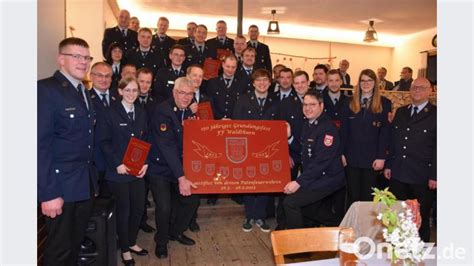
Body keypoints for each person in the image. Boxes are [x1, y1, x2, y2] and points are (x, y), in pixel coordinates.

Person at [38, 37, 97, 265]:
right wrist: (49, 193)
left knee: (74, 247)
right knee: (59, 251)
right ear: (61, 59)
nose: (83, 62)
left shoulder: (82, 90)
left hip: (83, 186)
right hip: (60, 188)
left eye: (87, 57)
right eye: (77, 56)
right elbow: (38, 147)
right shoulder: (46, 90)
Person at [97, 76, 149, 265]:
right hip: (118, 172)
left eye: (135, 90)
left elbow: (146, 139)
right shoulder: (108, 112)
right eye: (127, 90)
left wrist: (146, 163)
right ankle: (125, 249)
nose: (131, 94)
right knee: (124, 212)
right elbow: (103, 141)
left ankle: (132, 241)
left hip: (137, 172)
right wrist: (117, 163)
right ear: (119, 91)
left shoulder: (142, 112)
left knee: (138, 209)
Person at [147, 77, 200, 259]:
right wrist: (182, 178)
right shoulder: (163, 111)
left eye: (190, 94)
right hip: (160, 167)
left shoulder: (190, 112)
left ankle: (176, 231)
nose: (186, 97)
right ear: (174, 92)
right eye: (182, 93)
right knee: (164, 207)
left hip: (179, 167)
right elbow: (167, 147)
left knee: (192, 200)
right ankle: (161, 241)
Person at [283, 90, 345, 229]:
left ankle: (297, 248)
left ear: (321, 106)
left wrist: (298, 182)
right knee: (309, 209)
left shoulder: (327, 128)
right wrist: (289, 137)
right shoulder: (308, 124)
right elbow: (303, 152)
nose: (307, 108)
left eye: (312, 104)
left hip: (327, 178)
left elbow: (320, 162)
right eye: (305, 104)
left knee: (290, 203)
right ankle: (345, 226)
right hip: (315, 177)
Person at [384, 77, 436, 242]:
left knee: (420, 216)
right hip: (399, 173)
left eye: (422, 87)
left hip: (422, 176)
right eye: (414, 87)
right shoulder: (401, 111)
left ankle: (421, 253)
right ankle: (398, 248)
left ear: (430, 91)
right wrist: (389, 165)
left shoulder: (437, 114)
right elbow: (393, 141)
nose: (417, 90)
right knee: (398, 214)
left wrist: (435, 175)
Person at [233, 69, 278, 233]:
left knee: (264, 183)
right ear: (253, 83)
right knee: (249, 182)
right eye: (258, 80)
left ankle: (260, 216)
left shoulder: (275, 100)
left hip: (268, 150)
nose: (262, 83)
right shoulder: (243, 100)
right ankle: (249, 216)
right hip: (247, 149)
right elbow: (236, 125)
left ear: (270, 82)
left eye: (265, 80)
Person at [341, 69, 391, 208]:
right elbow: (344, 130)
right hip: (351, 157)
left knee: (368, 197)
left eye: (369, 80)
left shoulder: (385, 103)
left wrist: (381, 157)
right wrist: (342, 153)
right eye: (363, 80)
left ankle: (366, 228)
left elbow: (385, 132)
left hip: (372, 158)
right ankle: (351, 227)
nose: (366, 83)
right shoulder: (349, 102)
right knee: (352, 195)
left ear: (375, 82)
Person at [274, 70, 309, 230]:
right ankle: (282, 223)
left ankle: (308, 221)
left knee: (309, 189)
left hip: (310, 155)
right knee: (286, 189)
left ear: (308, 83)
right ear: (293, 85)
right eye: (297, 83)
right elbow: (280, 131)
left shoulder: (317, 101)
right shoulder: (286, 103)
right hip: (292, 153)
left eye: (303, 82)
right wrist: (285, 154)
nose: (300, 85)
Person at [135, 67, 159, 234]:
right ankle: (140, 221)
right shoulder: (128, 99)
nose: (144, 85)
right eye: (141, 81)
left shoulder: (156, 102)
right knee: (138, 192)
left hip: (153, 152)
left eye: (148, 82)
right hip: (135, 152)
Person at [89, 62, 119, 198]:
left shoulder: (120, 98)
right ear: (91, 77)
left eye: (108, 76)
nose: (104, 79)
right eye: (99, 75)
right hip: (97, 161)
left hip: (118, 160)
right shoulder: (85, 99)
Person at [207, 55, 248, 120]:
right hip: (216, 123)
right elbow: (210, 104)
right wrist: (220, 118)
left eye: (233, 67)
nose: (230, 70)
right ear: (223, 65)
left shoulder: (242, 84)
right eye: (228, 66)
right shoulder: (212, 83)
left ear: (236, 67)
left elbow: (243, 105)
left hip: (235, 123)